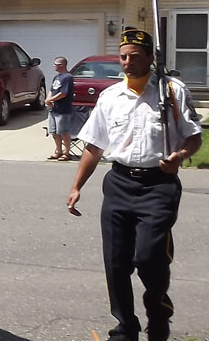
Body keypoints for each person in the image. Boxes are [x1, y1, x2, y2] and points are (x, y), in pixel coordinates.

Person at [67, 27, 202, 341]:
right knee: (116, 263)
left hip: (158, 185)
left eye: (135, 56)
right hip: (118, 183)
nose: (127, 62)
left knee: (149, 257)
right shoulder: (110, 97)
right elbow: (93, 146)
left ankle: (158, 314)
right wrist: (76, 186)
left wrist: (181, 156)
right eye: (123, 57)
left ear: (150, 57)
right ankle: (125, 327)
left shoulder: (172, 91)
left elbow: (194, 136)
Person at [45, 56, 74, 161]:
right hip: (53, 109)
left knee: (64, 132)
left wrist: (51, 99)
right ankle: (58, 151)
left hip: (63, 110)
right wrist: (48, 99)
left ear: (61, 65)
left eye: (55, 64)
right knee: (54, 132)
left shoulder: (67, 77)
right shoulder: (56, 77)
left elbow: (63, 93)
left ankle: (66, 153)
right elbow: (52, 90)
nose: (53, 66)